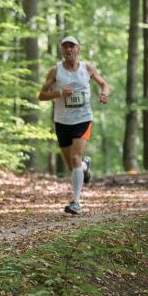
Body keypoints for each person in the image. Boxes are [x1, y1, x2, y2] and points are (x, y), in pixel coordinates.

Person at [38, 36, 110, 215]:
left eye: (72, 46)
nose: (69, 49)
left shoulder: (87, 68)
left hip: (83, 119)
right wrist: (60, 93)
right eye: (65, 47)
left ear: (78, 49)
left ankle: (76, 202)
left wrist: (104, 94)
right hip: (62, 121)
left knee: (75, 157)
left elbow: (104, 84)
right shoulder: (55, 71)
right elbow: (41, 95)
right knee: (73, 166)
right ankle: (85, 167)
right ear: (62, 50)